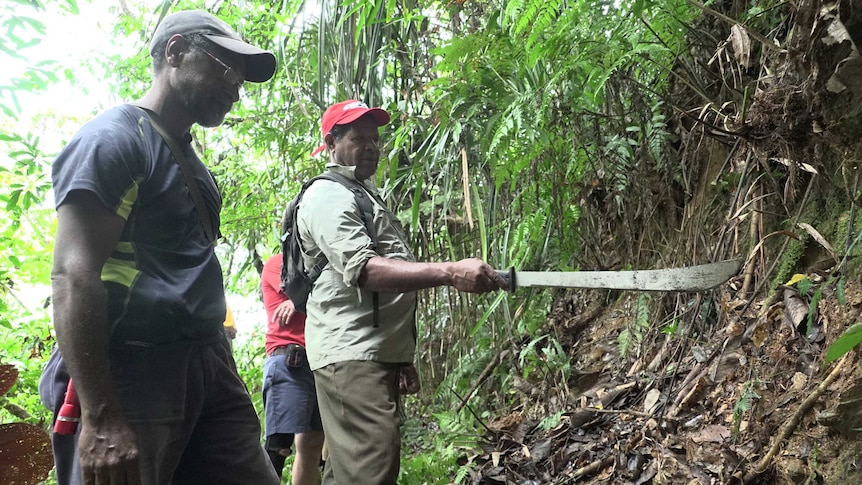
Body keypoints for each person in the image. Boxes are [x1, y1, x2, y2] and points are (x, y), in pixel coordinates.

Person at [38, 10, 280, 485]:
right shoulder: (115, 139)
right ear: (175, 53)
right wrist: (102, 416)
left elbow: (188, 267)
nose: (236, 86)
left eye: (241, 78)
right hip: (133, 371)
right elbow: (73, 272)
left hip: (205, 364)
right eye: (225, 67)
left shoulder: (191, 161)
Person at [297, 99, 508, 484]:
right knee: (371, 467)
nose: (371, 147)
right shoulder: (328, 196)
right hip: (350, 351)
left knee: (354, 467)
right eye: (358, 138)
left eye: (375, 140)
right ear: (332, 143)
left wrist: (400, 356)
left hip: (370, 351)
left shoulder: (360, 194)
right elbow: (365, 270)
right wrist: (449, 271)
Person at [260, 252, 325, 484]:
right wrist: (296, 299)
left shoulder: (320, 264)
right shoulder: (279, 262)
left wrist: (297, 301)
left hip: (319, 361)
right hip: (288, 360)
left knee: (312, 444)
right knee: (278, 447)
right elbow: (297, 285)